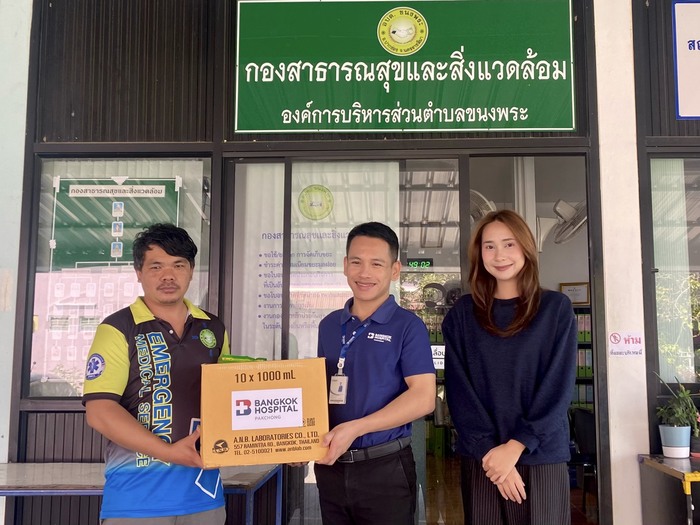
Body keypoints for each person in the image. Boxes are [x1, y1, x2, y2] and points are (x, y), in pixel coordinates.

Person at [83, 223, 229, 524]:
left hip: (204, 492)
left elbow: (229, 401)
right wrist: (169, 452)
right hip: (136, 499)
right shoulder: (118, 328)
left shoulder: (213, 328)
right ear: (139, 272)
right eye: (156, 266)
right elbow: (100, 412)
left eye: (179, 265)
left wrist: (284, 443)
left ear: (191, 271)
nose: (168, 276)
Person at [442, 210, 577, 525]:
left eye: (509, 244)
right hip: (483, 458)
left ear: (526, 248)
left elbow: (558, 388)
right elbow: (459, 392)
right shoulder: (462, 314)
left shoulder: (555, 309)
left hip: (541, 455)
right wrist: (493, 456)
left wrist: (515, 447)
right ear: (479, 254)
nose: (499, 255)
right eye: (489, 246)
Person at [314, 221, 436, 525]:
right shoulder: (329, 325)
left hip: (385, 469)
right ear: (345, 265)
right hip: (331, 468)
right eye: (356, 262)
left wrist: (356, 428)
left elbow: (423, 398)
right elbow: (318, 392)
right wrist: (299, 441)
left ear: (394, 270)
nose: (364, 273)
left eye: (376, 264)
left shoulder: (408, 326)